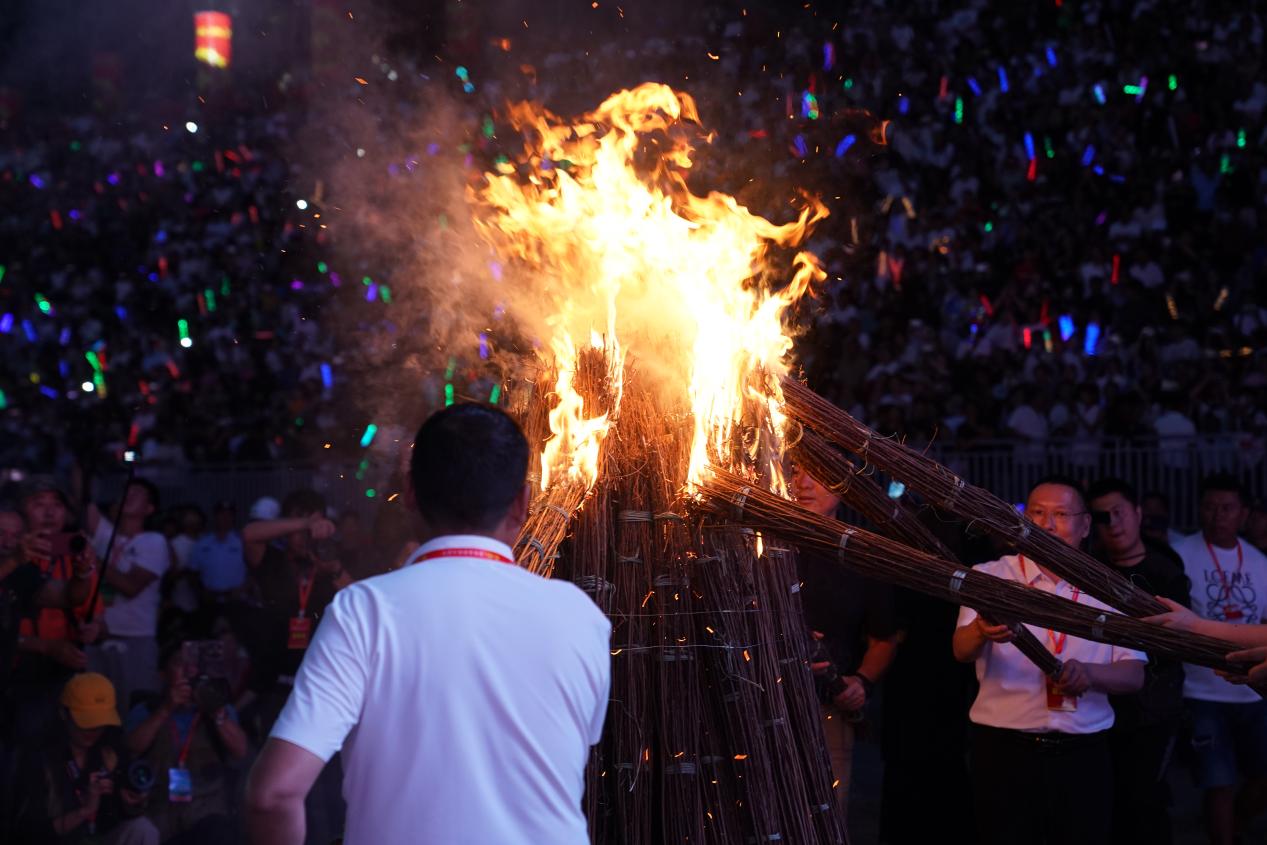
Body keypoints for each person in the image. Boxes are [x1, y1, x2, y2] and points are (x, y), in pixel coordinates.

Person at [246, 403, 611, 844]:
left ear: (410, 494)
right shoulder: (580, 616)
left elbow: (273, 794)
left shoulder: (364, 612)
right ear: (523, 503)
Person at [952, 476, 1146, 845]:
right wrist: (980, 630)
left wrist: (1090, 674)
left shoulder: (1111, 588)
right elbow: (960, 650)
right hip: (1003, 750)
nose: (1046, 524)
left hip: (1083, 753)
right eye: (1037, 513)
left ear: (1085, 524)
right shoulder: (990, 576)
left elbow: (1134, 674)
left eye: (1060, 514)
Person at [1088, 477, 1190, 845]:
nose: (1112, 522)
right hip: (1102, 706)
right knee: (1108, 802)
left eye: (1119, 512)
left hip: (1154, 708)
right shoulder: (1088, 568)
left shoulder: (1166, 567)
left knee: (1144, 801)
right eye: (1103, 516)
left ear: (1138, 513)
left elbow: (1179, 639)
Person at [790, 464, 897, 816]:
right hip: (762, 701)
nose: (804, 484)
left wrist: (861, 681)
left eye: (816, 473)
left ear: (842, 485)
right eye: (793, 471)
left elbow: (885, 638)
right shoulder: (760, 544)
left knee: (826, 816)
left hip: (827, 712)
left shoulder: (861, 553)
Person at [1168, 474, 1267, 845]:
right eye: (1209, 506)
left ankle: (1238, 824)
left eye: (1227, 508)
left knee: (1260, 777)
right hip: (1202, 689)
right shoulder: (1180, 552)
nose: (1217, 515)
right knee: (1218, 781)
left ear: (1243, 513)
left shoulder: (1259, 561)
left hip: (1254, 687)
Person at [10, 672, 159, 844]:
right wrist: (84, 810)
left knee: (143, 829)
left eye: (100, 722)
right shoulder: (39, 758)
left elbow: (115, 818)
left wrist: (130, 801)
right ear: (64, 714)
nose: (94, 730)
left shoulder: (109, 751)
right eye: (86, 722)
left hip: (100, 838)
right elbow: (26, 834)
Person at [124, 639, 247, 843]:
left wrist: (216, 711)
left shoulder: (219, 709)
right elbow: (131, 747)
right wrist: (165, 709)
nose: (189, 671)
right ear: (162, 674)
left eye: (194, 665)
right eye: (179, 663)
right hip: (159, 812)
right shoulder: (146, 709)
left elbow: (240, 751)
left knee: (221, 831)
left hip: (206, 812)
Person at [85, 479, 171, 712]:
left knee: (134, 711)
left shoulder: (154, 541)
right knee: (93, 712)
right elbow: (83, 496)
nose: (129, 494)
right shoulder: (106, 535)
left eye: (138, 493)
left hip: (134, 639)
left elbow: (130, 587)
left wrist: (93, 559)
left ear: (150, 509)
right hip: (96, 637)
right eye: (127, 490)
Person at [188, 502, 246, 598]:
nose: (225, 518)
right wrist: (201, 592)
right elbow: (192, 572)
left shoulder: (243, 542)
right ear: (215, 517)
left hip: (236, 600)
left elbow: (254, 573)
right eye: (221, 514)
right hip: (210, 601)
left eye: (229, 515)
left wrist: (243, 588)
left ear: (233, 518)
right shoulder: (202, 543)